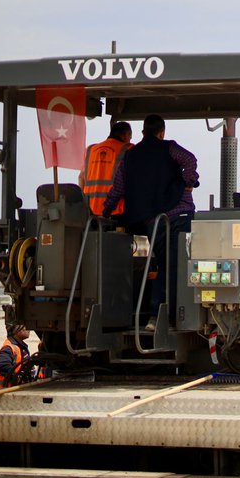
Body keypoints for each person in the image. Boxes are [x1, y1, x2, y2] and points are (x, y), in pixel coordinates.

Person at [101, 114, 199, 326]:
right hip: (179, 214)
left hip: (152, 220)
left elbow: (118, 188)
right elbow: (190, 160)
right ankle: (164, 316)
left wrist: (105, 211)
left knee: (165, 263)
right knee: (178, 266)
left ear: (143, 132)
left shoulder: (130, 155)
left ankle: (157, 315)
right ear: (161, 132)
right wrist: (188, 181)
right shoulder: (169, 148)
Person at [80, 120, 133, 218]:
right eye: (130, 137)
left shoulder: (90, 150)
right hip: (115, 210)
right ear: (126, 135)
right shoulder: (129, 149)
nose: (130, 140)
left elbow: (81, 178)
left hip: (90, 210)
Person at [0, 322, 39, 387]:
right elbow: (2, 365)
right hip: (10, 390)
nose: (28, 329)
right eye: (24, 326)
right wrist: (17, 376)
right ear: (15, 329)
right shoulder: (8, 348)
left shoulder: (20, 346)